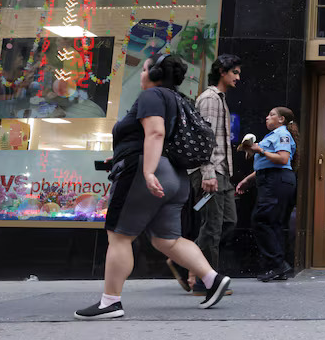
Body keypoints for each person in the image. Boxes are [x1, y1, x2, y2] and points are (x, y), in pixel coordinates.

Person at [75, 53, 230, 319]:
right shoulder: (181, 100)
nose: (142, 74)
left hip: (147, 174)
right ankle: (212, 279)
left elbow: (155, 132)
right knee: (166, 239)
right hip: (175, 176)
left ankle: (110, 302)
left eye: (145, 69)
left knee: (120, 236)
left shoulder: (151, 96)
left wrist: (147, 170)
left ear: (155, 73)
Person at [167, 55, 241, 296]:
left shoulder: (220, 99)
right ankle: (204, 282)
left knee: (228, 222)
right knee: (213, 227)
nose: (238, 77)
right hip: (211, 172)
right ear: (222, 71)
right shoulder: (210, 99)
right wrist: (208, 172)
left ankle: (183, 260)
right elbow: (204, 137)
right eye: (235, 72)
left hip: (222, 172)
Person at [236, 107, 298, 282]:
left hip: (276, 181)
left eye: (272, 115)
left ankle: (278, 264)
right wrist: (248, 180)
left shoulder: (281, 135)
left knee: (261, 220)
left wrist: (260, 150)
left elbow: (283, 159)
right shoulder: (272, 136)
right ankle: (278, 266)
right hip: (271, 179)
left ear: (281, 120)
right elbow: (267, 165)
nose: (267, 117)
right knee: (272, 222)